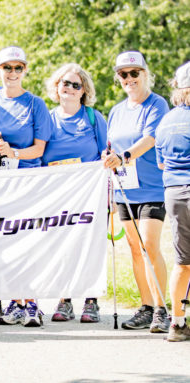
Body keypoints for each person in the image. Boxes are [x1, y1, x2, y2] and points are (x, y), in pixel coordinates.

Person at [0, 46, 52, 327]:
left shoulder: (36, 104)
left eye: (18, 68)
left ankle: (31, 303)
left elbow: (39, 150)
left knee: (26, 243)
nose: (12, 73)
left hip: (26, 180)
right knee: (4, 244)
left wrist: (13, 152)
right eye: (7, 67)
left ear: (25, 70)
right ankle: (14, 301)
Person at [103, 51, 170, 333]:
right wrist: (109, 156)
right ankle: (145, 307)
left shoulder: (157, 103)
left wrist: (125, 155)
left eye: (134, 73)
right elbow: (109, 144)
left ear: (145, 73)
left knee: (150, 246)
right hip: (124, 190)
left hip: (152, 188)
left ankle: (162, 309)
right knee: (134, 248)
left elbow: (150, 138)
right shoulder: (117, 111)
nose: (129, 79)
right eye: (123, 74)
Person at [42, 63, 107, 323]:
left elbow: (105, 155)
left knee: (89, 246)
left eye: (75, 85)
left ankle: (91, 301)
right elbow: (38, 155)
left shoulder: (93, 118)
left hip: (89, 195)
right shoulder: (47, 118)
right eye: (64, 83)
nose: (69, 88)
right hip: (57, 196)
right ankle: (64, 299)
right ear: (56, 88)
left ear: (84, 91)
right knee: (63, 247)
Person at [155, 61, 190, 342]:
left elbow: (161, 163)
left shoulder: (166, 120)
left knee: (183, 261)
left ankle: (177, 324)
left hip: (173, 192)